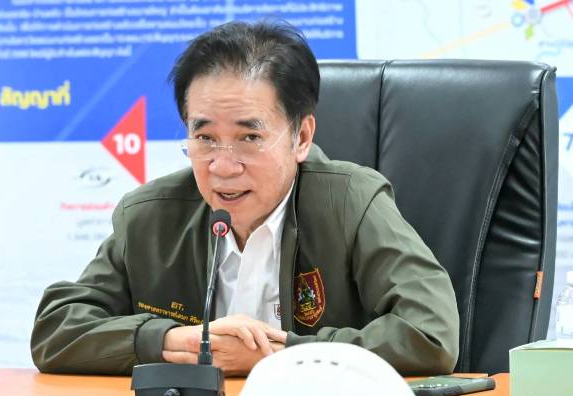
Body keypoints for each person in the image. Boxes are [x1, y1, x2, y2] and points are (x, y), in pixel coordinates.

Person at [31, 20, 459, 377]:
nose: (222, 166)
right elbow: (56, 329)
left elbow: (430, 333)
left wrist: (285, 354)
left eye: (249, 137)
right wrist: (171, 341)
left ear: (301, 137)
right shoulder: (150, 215)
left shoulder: (351, 202)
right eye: (204, 138)